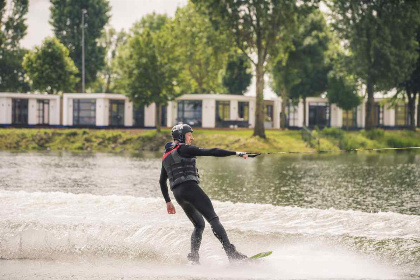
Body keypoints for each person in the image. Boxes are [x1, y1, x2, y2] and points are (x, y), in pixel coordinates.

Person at [159, 124, 248, 264]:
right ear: (182, 136)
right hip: (190, 188)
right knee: (213, 219)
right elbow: (213, 151)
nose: (192, 138)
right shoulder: (184, 148)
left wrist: (168, 201)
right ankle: (231, 253)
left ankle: (194, 257)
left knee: (199, 225)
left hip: (178, 195)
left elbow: (161, 181)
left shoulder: (166, 155)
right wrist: (236, 153)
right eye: (190, 135)